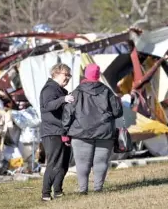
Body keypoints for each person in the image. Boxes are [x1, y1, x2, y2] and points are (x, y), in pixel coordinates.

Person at [62, 64, 123, 194]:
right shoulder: (107, 91)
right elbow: (117, 112)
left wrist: (65, 133)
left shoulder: (76, 92)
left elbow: (68, 113)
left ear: (86, 74)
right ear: (98, 75)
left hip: (80, 133)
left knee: (82, 164)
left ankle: (83, 190)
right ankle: (98, 189)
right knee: (101, 162)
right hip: (105, 133)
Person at [39, 63, 74, 201]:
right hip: (51, 132)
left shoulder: (60, 90)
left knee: (64, 162)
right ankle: (45, 194)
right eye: (66, 75)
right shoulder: (49, 88)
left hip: (62, 131)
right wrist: (63, 99)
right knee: (54, 163)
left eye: (69, 76)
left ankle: (58, 191)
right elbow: (48, 106)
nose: (68, 78)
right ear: (57, 73)